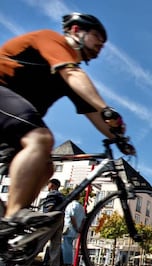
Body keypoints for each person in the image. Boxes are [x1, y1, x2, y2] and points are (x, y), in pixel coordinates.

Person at [0, 13, 135, 239]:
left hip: (13, 120)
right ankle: (13, 216)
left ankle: (9, 225)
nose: (101, 44)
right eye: (96, 37)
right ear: (75, 31)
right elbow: (75, 75)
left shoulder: (70, 77)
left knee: (46, 169)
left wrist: (120, 138)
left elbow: (93, 113)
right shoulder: (51, 41)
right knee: (40, 139)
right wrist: (106, 108)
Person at [10, 179, 65, 266]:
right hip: (60, 217)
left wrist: (43, 218)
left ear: (52, 185)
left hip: (51, 217)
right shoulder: (61, 195)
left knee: (39, 241)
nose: (47, 186)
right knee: (55, 244)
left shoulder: (52, 194)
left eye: (48, 184)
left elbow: (49, 206)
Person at [60, 194, 85, 266]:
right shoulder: (81, 207)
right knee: (70, 247)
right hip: (76, 230)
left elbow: (72, 217)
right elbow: (84, 218)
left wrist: (76, 227)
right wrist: (80, 228)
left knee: (67, 247)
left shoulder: (71, 205)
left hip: (69, 228)